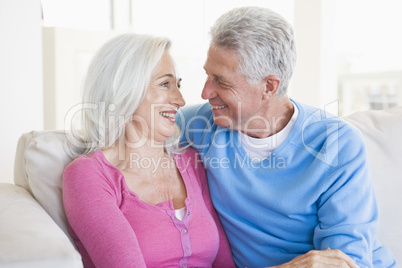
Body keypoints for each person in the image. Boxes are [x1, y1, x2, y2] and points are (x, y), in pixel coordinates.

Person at [176, 6, 396, 268]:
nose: (205, 92)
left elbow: (345, 262)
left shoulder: (336, 143)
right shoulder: (197, 125)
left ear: (269, 86)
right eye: (207, 75)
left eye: (221, 81)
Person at [62, 33, 235, 268]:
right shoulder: (88, 175)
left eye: (178, 85)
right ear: (125, 89)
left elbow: (224, 263)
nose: (180, 100)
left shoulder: (190, 161)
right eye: (166, 84)